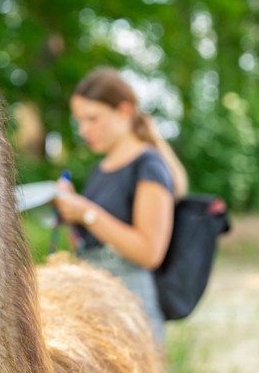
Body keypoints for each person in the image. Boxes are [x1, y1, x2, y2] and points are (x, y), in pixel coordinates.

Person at [53, 67, 188, 342]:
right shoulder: (100, 168)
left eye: (92, 119)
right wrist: (71, 212)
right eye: (79, 120)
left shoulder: (148, 165)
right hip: (93, 304)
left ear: (124, 112)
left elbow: (150, 252)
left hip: (130, 308)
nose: (83, 129)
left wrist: (88, 212)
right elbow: (87, 245)